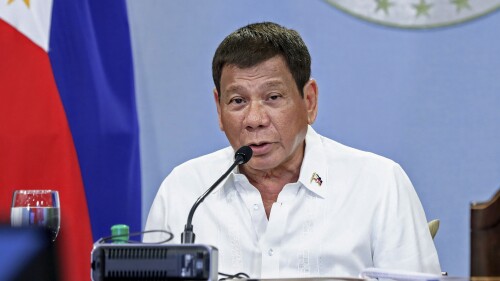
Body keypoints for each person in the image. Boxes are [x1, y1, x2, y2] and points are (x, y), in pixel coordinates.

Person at [144, 22, 441, 278]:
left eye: (273, 97)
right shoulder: (184, 190)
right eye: (237, 101)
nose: (254, 120)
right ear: (219, 110)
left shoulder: (378, 184)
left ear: (309, 101)